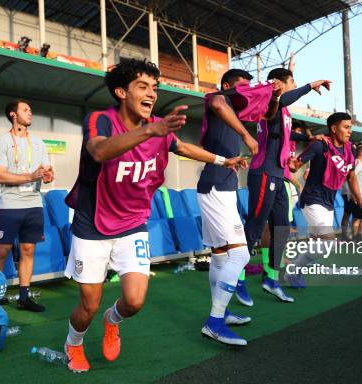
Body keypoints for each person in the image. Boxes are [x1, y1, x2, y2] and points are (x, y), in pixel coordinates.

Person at [62, 59, 247, 372]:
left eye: (155, 88)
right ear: (121, 91)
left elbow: (184, 148)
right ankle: (74, 342)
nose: (151, 94)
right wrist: (150, 130)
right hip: (92, 225)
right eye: (143, 87)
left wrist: (222, 160)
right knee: (88, 304)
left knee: (133, 301)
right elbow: (99, 151)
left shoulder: (159, 128)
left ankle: (112, 320)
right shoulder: (101, 120)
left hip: (132, 224)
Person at [196, 68, 281, 346]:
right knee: (241, 255)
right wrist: (246, 136)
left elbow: (268, 114)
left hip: (219, 186)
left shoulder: (237, 110)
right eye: (241, 86)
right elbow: (219, 103)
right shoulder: (218, 98)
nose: (246, 90)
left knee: (221, 256)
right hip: (215, 188)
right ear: (227, 85)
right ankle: (215, 321)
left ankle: (222, 312)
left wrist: (277, 96)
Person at [237, 67, 331, 305]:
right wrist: (310, 86)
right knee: (255, 228)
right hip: (263, 173)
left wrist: (312, 138)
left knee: (281, 229)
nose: (294, 86)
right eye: (292, 82)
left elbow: (288, 137)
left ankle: (271, 279)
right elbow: (282, 99)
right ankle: (236, 278)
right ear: (279, 83)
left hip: (279, 176)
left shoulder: (285, 110)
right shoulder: (270, 99)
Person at [288, 112, 362, 285]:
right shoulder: (320, 145)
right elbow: (295, 166)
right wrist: (290, 163)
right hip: (312, 200)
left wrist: (360, 201)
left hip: (328, 202)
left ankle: (295, 270)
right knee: (328, 240)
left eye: (350, 128)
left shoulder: (350, 150)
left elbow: (351, 176)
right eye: (346, 127)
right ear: (333, 128)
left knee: (321, 246)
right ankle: (293, 270)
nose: (349, 132)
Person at [0, 99, 54, 312]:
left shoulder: (39, 142)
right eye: (25, 110)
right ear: (13, 114)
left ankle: (24, 298)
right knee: (2, 251)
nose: (30, 112)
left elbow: (47, 169)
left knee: (28, 250)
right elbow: (0, 176)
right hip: (10, 205)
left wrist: (47, 175)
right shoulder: (2, 141)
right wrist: (29, 176)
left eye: (30, 109)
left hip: (35, 204)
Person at [344, 146, 362, 242]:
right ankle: (358, 237)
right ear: (361, 153)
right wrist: (353, 194)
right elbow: (350, 177)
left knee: (356, 217)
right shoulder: (357, 163)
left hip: (361, 195)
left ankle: (355, 237)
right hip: (359, 196)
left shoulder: (359, 163)